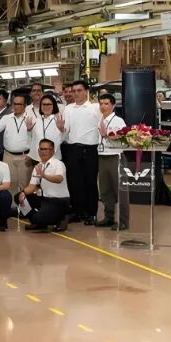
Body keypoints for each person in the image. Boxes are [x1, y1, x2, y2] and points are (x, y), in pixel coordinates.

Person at [62, 80, 101, 224]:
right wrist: (61, 129)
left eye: (79, 90)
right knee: (74, 182)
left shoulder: (95, 108)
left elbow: (101, 126)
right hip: (73, 149)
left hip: (90, 149)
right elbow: (65, 130)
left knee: (90, 182)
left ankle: (91, 213)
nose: (76, 93)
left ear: (86, 91)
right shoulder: (68, 109)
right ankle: (78, 212)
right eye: (74, 91)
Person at [15, 139, 70, 232]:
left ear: (53, 151)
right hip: (45, 199)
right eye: (41, 149)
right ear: (38, 151)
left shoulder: (58, 164)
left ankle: (62, 218)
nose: (43, 152)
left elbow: (59, 179)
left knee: (39, 217)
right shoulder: (38, 166)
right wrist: (23, 193)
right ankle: (38, 222)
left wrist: (44, 176)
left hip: (59, 200)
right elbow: (32, 186)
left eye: (46, 149)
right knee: (18, 197)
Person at [0, 93, 33, 193]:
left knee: (24, 184)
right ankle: (12, 203)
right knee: (10, 184)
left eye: (19, 104)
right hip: (8, 156)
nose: (16, 106)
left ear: (25, 105)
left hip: (25, 157)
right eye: (14, 103)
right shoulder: (6, 118)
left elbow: (37, 139)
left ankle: (24, 203)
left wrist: (30, 131)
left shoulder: (31, 118)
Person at [97, 93, 129, 230]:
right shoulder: (100, 119)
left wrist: (108, 137)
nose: (103, 106)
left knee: (120, 190)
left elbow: (124, 140)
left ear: (113, 105)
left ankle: (123, 221)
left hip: (115, 156)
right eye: (101, 104)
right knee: (105, 190)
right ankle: (109, 217)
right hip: (102, 156)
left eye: (106, 104)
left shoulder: (118, 121)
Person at [30, 95, 65, 163]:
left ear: (54, 106)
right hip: (38, 158)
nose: (46, 106)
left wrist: (62, 130)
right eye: (43, 104)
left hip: (54, 158)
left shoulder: (59, 119)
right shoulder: (37, 120)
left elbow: (63, 138)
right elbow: (34, 140)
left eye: (48, 104)